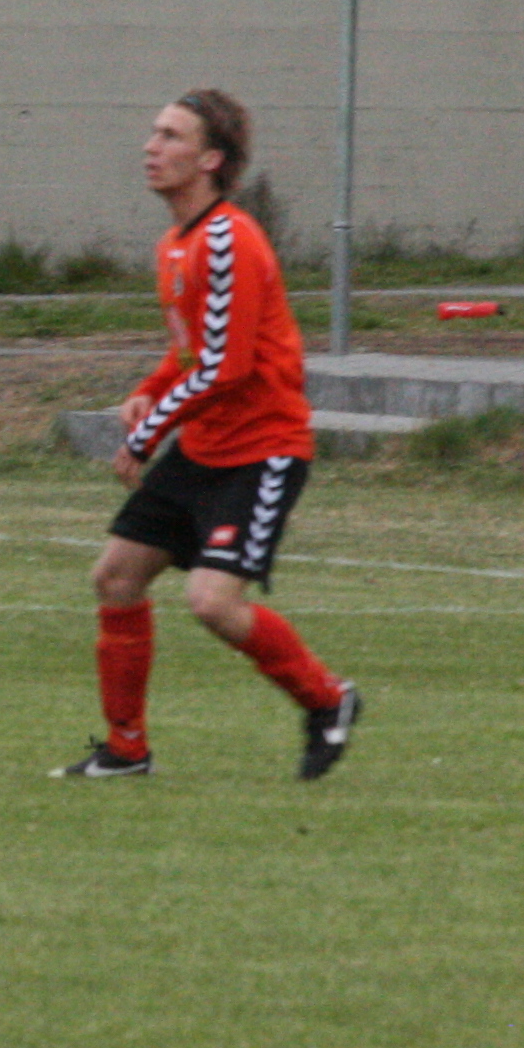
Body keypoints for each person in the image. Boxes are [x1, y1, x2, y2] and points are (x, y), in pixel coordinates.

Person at [63, 89, 361, 783]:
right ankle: (126, 750)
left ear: (210, 159)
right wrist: (151, 386)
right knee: (116, 577)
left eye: (172, 136)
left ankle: (328, 699)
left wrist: (146, 436)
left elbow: (227, 368)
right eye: (154, 132)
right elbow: (192, 353)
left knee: (212, 602)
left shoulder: (228, 238)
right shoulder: (175, 245)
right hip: (204, 449)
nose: (152, 146)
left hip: (262, 452)